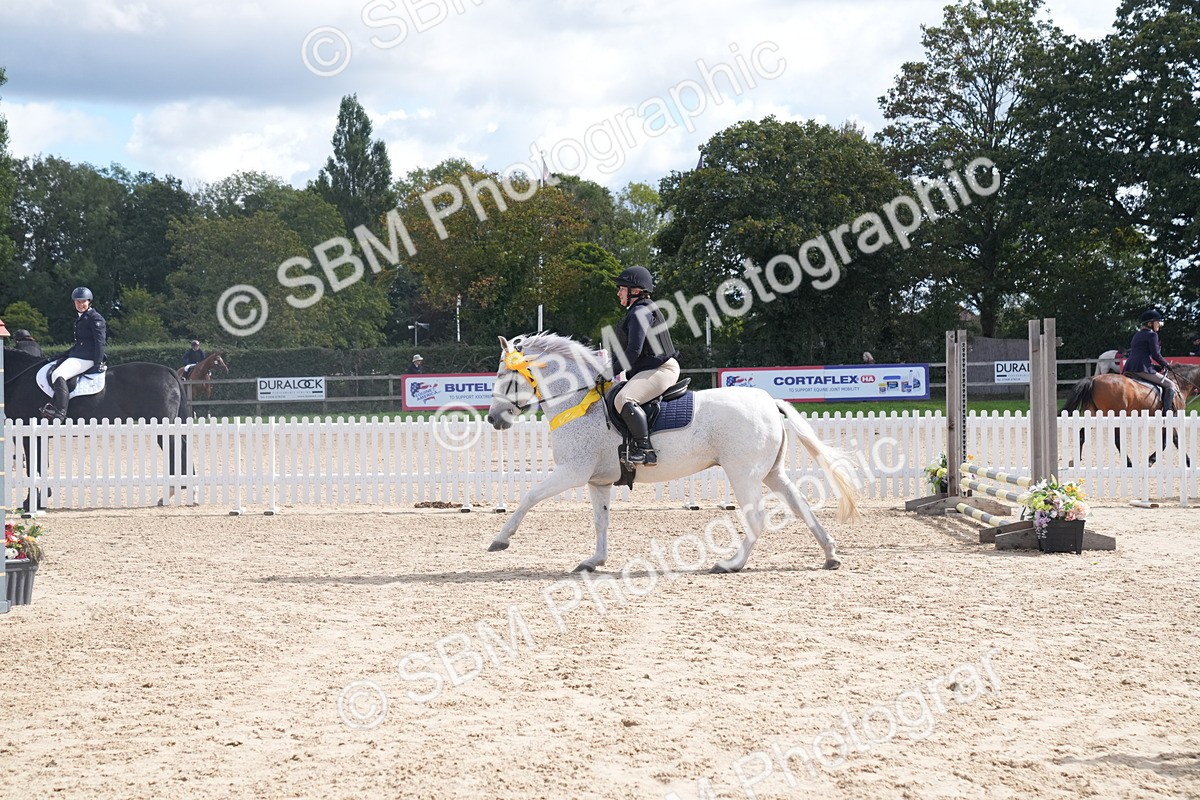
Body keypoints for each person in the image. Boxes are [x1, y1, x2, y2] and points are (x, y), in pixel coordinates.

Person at [612, 265, 680, 467]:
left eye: (621, 288)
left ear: (635, 290)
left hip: (661, 369)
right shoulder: (639, 309)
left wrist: (609, 372)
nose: (618, 293)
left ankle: (645, 450)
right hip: (652, 368)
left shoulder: (639, 312)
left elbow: (633, 351)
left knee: (624, 398)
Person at [40, 287, 106, 421]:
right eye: (77, 302)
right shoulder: (81, 318)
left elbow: (100, 342)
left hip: (87, 358)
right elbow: (78, 345)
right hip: (78, 356)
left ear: (89, 302)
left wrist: (98, 362)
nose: (80, 304)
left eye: (83, 302)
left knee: (58, 374)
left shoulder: (94, 318)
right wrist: (60, 355)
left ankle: (60, 411)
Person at [1123, 309, 1175, 414]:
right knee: (1170, 385)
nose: (1159, 325)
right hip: (1141, 369)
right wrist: (1166, 365)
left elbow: (1141, 355)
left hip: (1130, 367)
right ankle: (1167, 413)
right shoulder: (1152, 335)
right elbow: (1156, 354)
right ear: (1150, 323)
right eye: (1157, 322)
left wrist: (1155, 367)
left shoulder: (1136, 335)